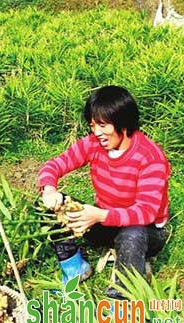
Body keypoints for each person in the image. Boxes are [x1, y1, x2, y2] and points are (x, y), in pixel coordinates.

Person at [38, 85, 170, 299]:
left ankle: (120, 298)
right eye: (92, 125)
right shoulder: (93, 144)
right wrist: (50, 189)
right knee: (51, 205)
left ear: (123, 123)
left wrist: (99, 215)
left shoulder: (150, 157)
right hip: (105, 220)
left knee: (132, 233)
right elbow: (54, 165)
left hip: (145, 232)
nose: (97, 133)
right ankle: (74, 266)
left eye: (103, 125)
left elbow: (145, 212)